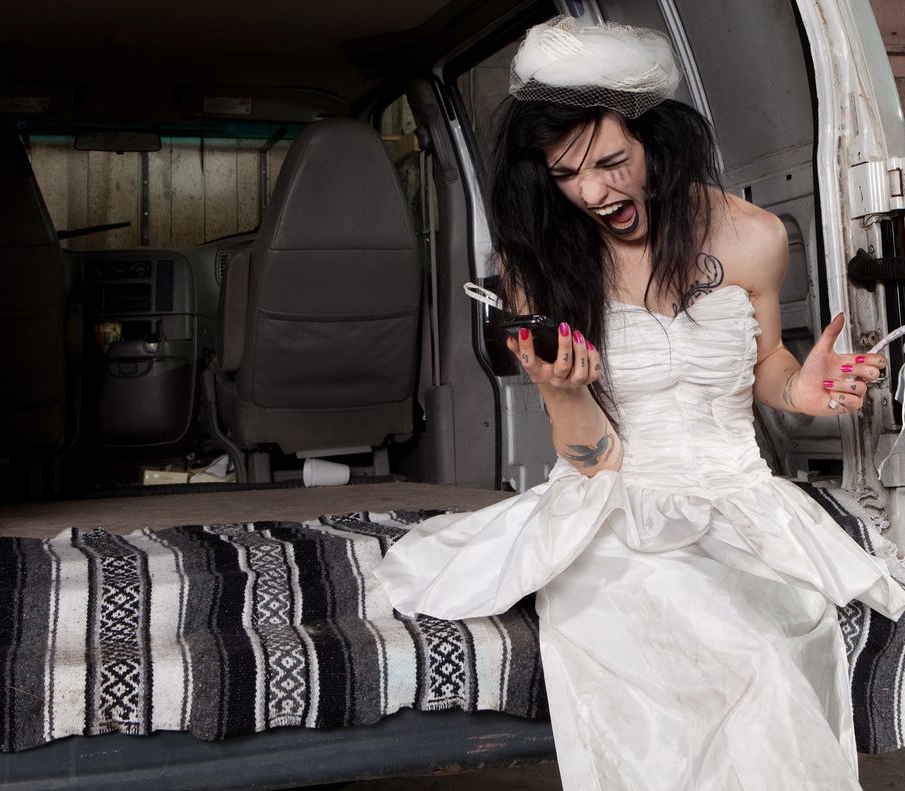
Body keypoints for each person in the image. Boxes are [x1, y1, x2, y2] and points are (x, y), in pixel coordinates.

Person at [374, 15, 905, 790]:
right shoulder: (541, 267)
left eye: (613, 162)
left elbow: (768, 369)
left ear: (659, 138)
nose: (593, 192)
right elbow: (596, 459)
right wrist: (566, 393)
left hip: (743, 498)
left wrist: (808, 390)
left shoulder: (756, 236)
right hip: (618, 506)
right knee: (735, 656)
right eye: (566, 174)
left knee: (782, 632)